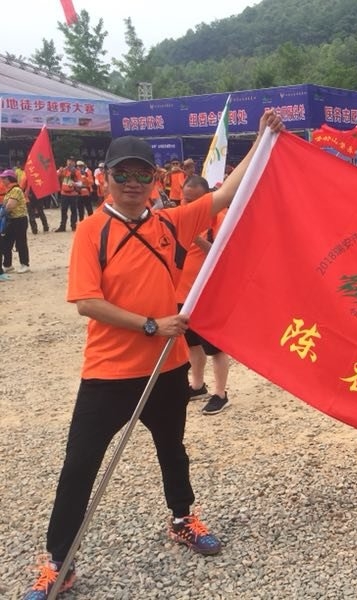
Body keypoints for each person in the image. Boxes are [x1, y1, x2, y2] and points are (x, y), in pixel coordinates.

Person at [21, 109, 284, 600]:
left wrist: (262, 140)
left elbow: (225, 194)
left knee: (172, 449)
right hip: (109, 372)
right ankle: (58, 561)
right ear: (107, 178)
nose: (133, 183)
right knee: (80, 463)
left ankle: (182, 519)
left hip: (167, 367)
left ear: (156, 180)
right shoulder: (91, 231)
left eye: (143, 175)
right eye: (123, 174)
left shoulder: (169, 222)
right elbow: (87, 302)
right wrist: (150, 325)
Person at [175, 175, 233, 415]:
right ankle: (197, 385)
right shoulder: (177, 216)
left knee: (215, 346)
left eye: (194, 200)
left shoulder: (218, 218)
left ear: (207, 198)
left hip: (207, 294)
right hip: (181, 293)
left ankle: (220, 393)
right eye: (185, 199)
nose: (188, 204)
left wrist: (196, 238)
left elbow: (221, 254)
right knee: (191, 343)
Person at [1, 169, 31, 274]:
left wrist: (2, 212)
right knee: (6, 243)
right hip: (11, 220)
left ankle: (25, 264)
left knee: (20, 242)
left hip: (19, 220)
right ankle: (7, 265)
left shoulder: (16, 190)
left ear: (9, 179)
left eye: (4, 178)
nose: (2, 180)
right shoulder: (9, 190)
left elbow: (10, 205)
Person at [55, 157, 80, 232]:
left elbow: (81, 183)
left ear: (74, 163)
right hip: (64, 194)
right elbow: (55, 176)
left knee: (74, 211)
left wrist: (75, 184)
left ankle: (73, 226)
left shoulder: (76, 171)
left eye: (71, 161)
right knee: (63, 211)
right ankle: (62, 226)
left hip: (73, 194)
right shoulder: (63, 170)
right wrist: (59, 171)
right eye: (68, 161)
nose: (69, 163)